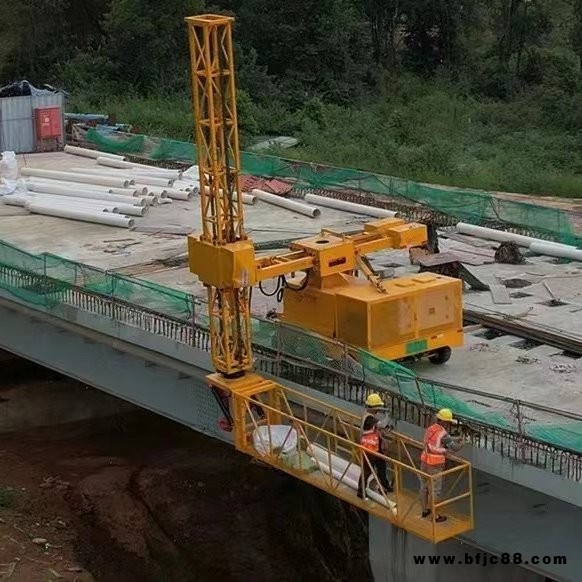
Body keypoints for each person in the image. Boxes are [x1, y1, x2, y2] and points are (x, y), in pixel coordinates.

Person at [419, 408, 464, 522]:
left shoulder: (431, 429)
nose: (449, 425)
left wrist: (454, 438)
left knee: (424, 487)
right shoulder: (443, 433)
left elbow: (441, 439)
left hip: (424, 461)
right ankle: (435, 516)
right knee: (435, 491)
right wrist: (464, 442)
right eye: (448, 422)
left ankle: (425, 510)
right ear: (444, 422)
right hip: (435, 465)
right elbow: (455, 448)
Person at [357, 393, 394, 499]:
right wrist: (387, 415)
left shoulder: (370, 416)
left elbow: (378, 429)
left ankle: (385, 485)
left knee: (382, 466)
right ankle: (360, 492)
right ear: (374, 407)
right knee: (367, 470)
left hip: (375, 448)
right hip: (368, 449)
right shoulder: (369, 418)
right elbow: (381, 425)